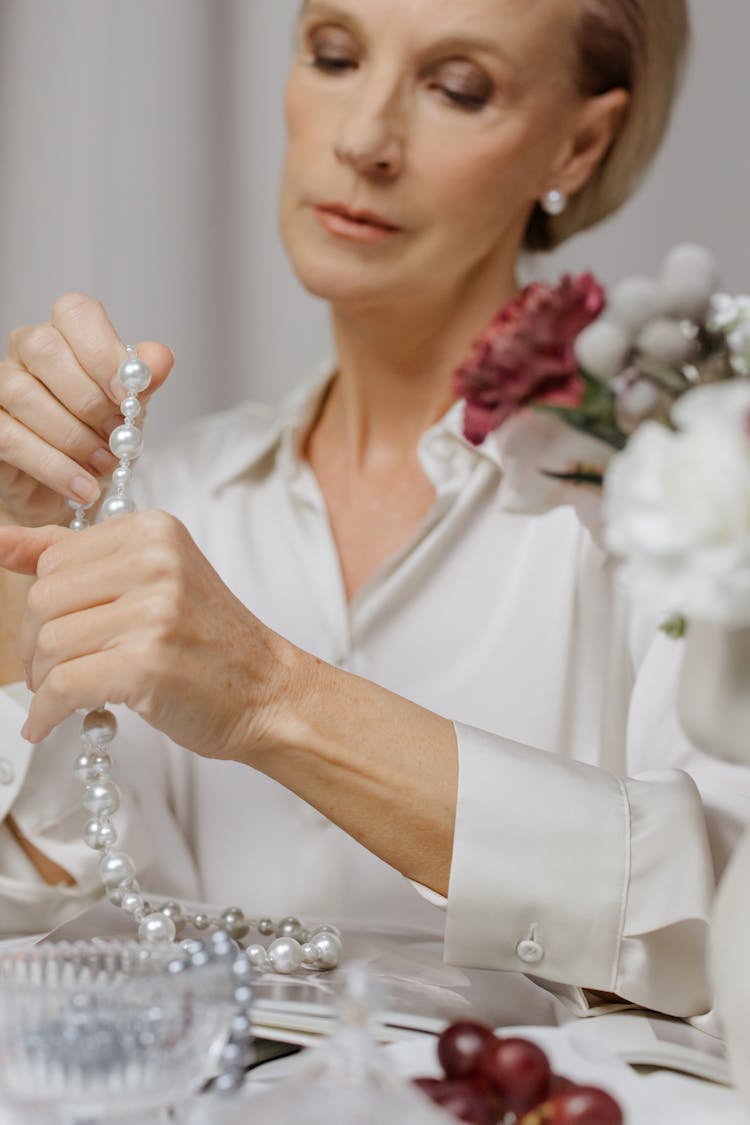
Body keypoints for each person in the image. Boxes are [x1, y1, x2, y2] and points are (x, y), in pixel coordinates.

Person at [0, 0, 744, 1020]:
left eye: (457, 87)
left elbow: (720, 908)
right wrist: (14, 580)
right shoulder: (179, 494)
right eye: (335, 56)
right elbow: (66, 932)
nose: (361, 138)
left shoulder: (690, 493)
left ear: (582, 139)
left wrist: (273, 695)